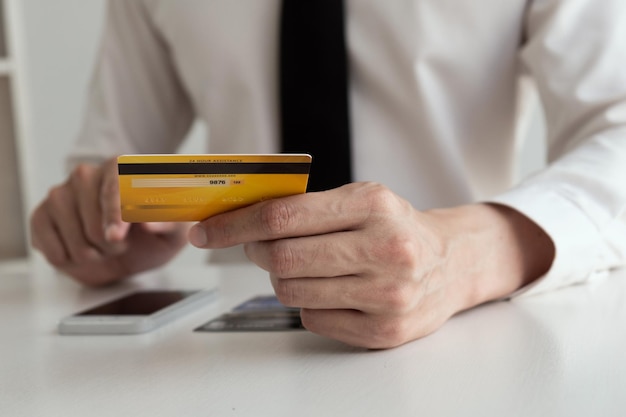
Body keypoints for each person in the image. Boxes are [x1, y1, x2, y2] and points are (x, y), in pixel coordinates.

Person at [30, 0, 626, 349]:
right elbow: (110, 163)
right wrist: (97, 225)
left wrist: (463, 255)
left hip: (470, 333)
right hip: (228, 349)